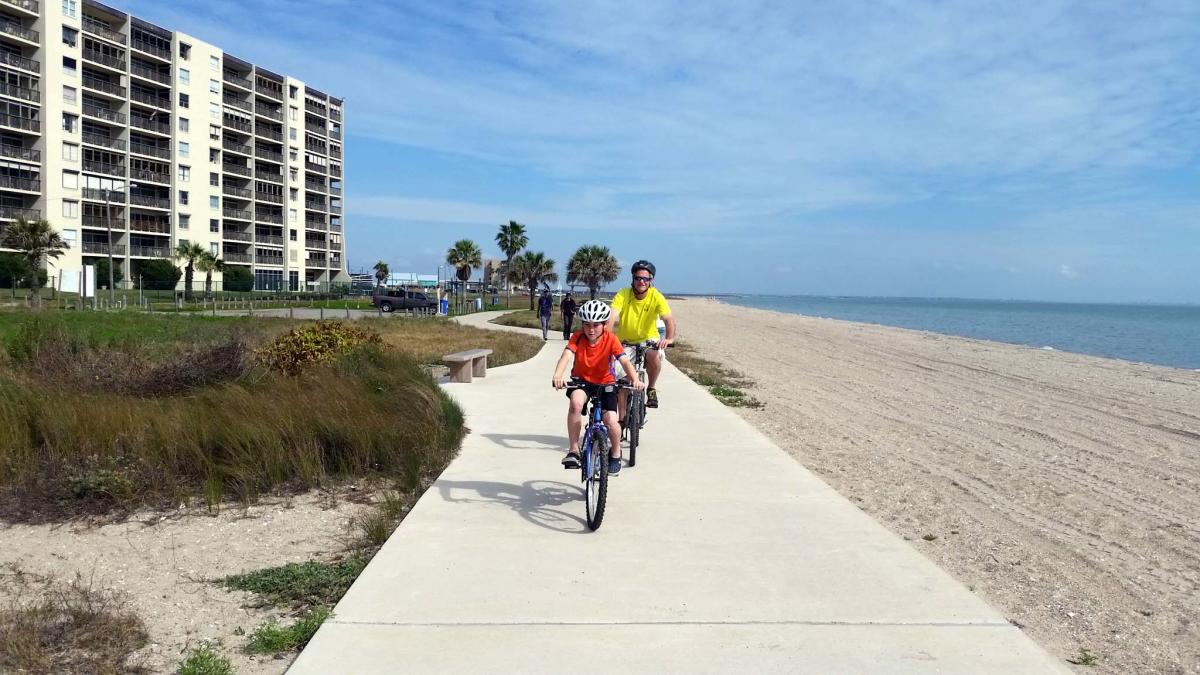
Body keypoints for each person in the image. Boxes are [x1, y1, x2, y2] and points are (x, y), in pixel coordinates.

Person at [552, 300, 644, 475]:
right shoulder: (577, 337)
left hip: (606, 382)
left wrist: (635, 379)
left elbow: (624, 361)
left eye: (596, 325)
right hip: (582, 381)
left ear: (604, 325)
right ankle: (573, 450)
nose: (591, 329)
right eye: (587, 325)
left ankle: (615, 453)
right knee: (576, 404)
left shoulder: (611, 339)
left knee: (610, 420)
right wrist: (558, 375)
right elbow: (566, 356)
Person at [608, 260, 675, 410]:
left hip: (649, 340)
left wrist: (669, 338)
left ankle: (651, 388)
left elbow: (668, 319)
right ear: (633, 278)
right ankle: (622, 420)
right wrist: (607, 337)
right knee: (621, 379)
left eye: (645, 279)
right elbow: (612, 317)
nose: (641, 282)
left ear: (651, 281)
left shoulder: (656, 296)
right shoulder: (624, 294)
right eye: (638, 278)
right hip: (625, 342)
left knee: (655, 356)